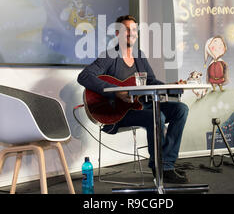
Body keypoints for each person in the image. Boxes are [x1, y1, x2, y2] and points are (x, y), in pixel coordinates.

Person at [77, 15, 190, 184]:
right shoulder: (110, 55)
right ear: (117, 33)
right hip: (118, 113)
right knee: (157, 117)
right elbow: (84, 76)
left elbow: (151, 82)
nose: (131, 33)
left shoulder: (139, 56)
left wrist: (173, 87)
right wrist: (116, 92)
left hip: (141, 106)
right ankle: (161, 169)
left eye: (134, 30)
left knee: (181, 109)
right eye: (126, 30)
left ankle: (166, 162)